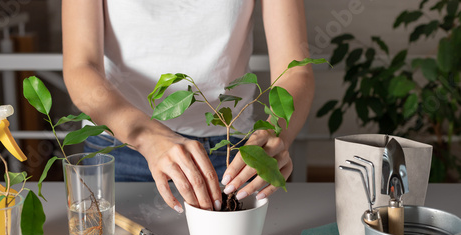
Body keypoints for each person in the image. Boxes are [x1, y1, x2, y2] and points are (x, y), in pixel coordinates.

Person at [62, 0, 314, 213]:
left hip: (230, 156)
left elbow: (295, 70)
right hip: (119, 148)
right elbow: (80, 67)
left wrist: (276, 131)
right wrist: (147, 137)